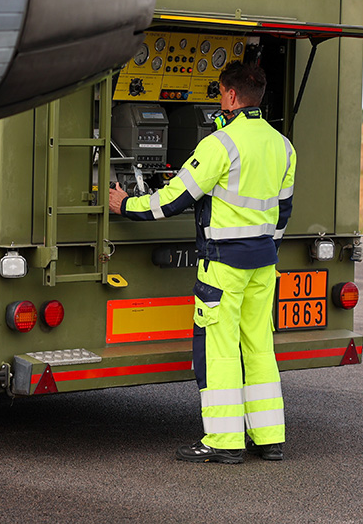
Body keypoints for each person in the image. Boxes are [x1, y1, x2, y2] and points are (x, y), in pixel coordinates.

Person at [108, 62, 295, 464]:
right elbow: (283, 211)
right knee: (260, 347)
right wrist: (264, 247)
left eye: (219, 96)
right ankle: (269, 438)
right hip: (264, 262)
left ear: (229, 96)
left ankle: (224, 443)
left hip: (224, 265)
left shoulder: (220, 144)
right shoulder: (283, 145)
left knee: (219, 350)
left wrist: (125, 204)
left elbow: (172, 201)